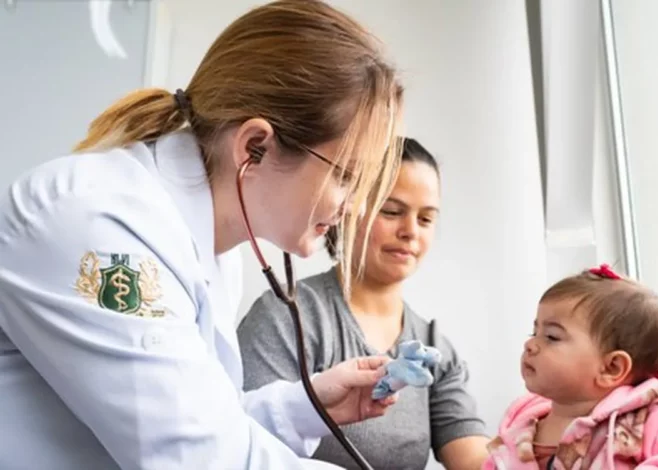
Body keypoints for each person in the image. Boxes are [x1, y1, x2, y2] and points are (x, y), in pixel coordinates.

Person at [0, 1, 407, 469]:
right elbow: (197, 454)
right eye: (347, 177)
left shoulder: (212, 243)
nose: (354, 207)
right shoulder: (96, 223)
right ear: (255, 147)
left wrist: (305, 407)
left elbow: (196, 417)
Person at [238, 138, 490, 470]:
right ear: (345, 209)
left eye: (426, 219)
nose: (410, 231)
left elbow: (477, 461)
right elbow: (243, 442)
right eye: (391, 211)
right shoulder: (286, 317)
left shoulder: (434, 349)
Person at [481, 265, 658, 469]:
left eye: (551, 337)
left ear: (611, 368)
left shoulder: (646, 420)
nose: (531, 344)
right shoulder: (514, 434)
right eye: (535, 332)